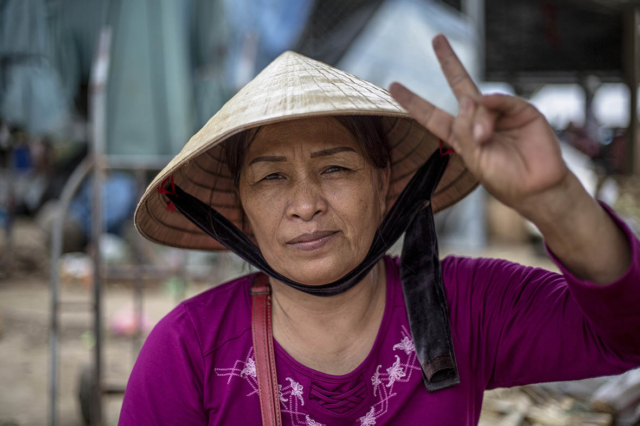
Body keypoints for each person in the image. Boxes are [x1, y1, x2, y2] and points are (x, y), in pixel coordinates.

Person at [120, 35, 640, 426]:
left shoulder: (466, 307)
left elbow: (626, 334)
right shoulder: (188, 352)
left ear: (386, 181)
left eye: (336, 169)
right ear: (240, 208)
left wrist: (556, 203)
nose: (305, 204)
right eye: (271, 177)